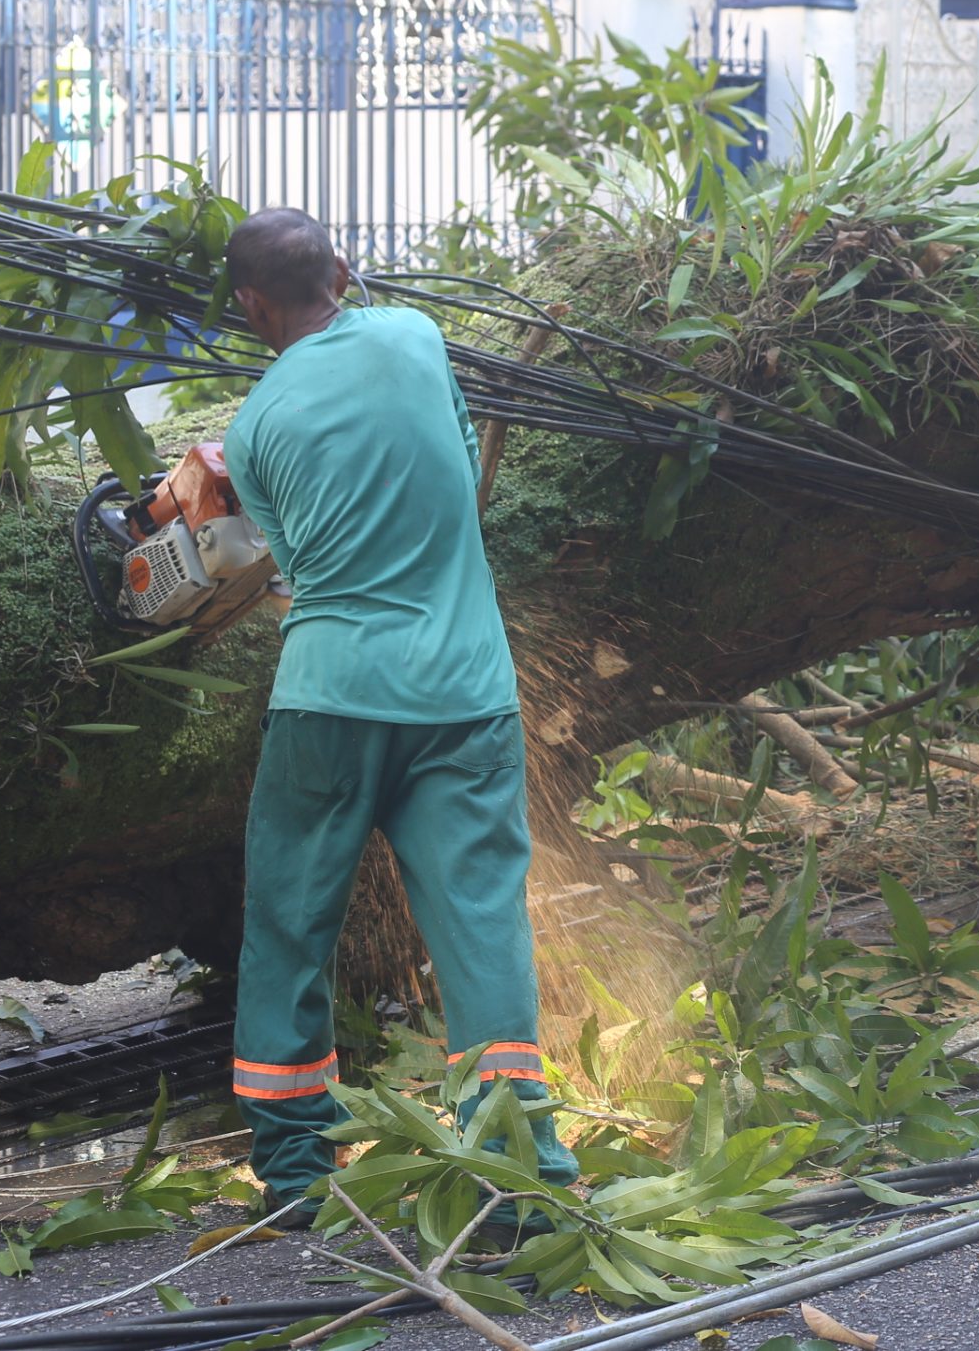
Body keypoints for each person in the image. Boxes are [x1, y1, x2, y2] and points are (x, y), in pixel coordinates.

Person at [221, 208, 577, 1224]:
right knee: (479, 921)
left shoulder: (253, 432)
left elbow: (291, 568)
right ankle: (519, 1172)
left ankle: (297, 1175)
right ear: (342, 269)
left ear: (250, 308)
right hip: (465, 694)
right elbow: (463, 484)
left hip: (329, 701)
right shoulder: (418, 337)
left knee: (291, 927)